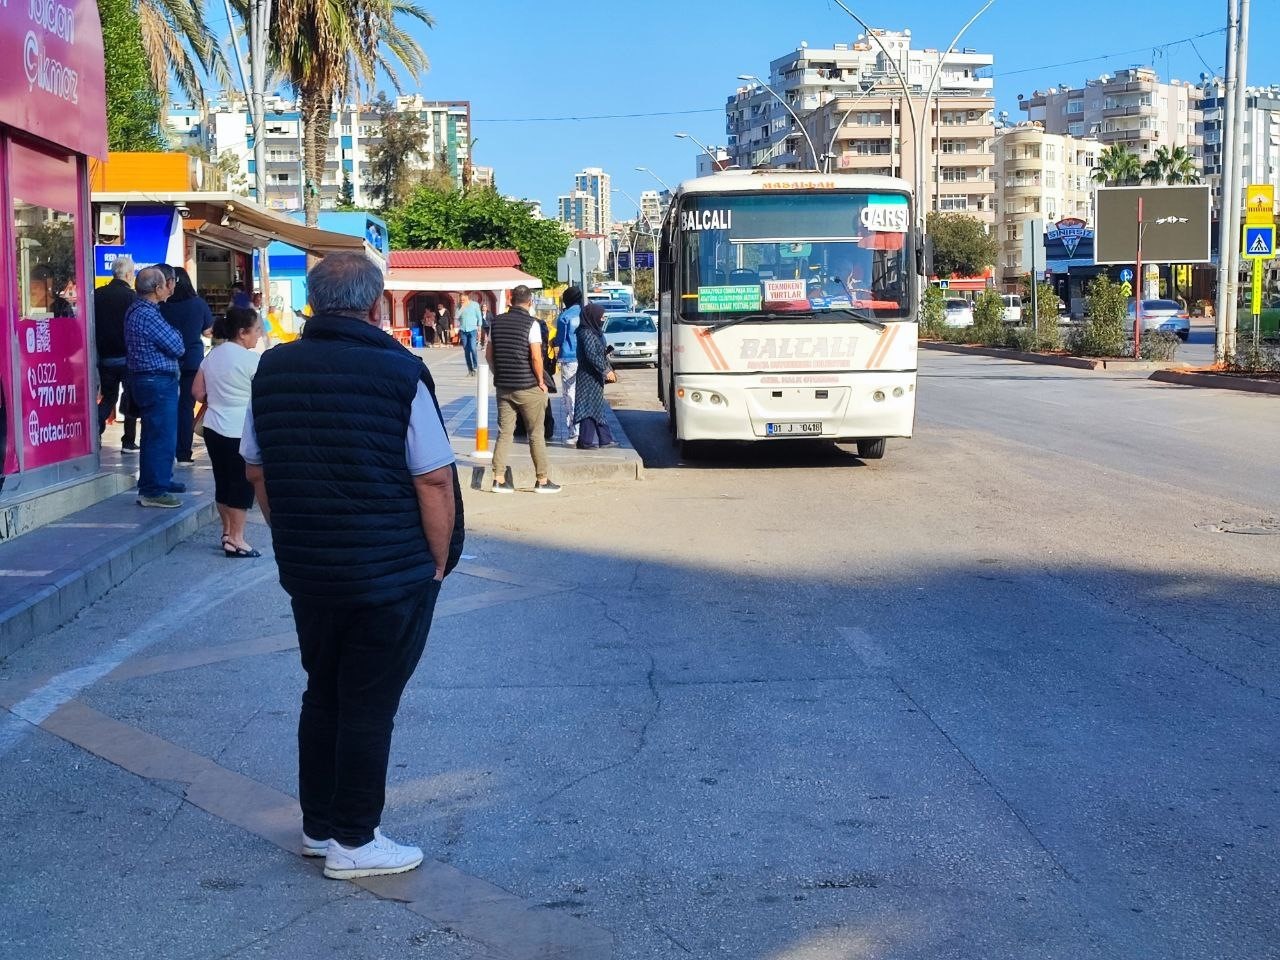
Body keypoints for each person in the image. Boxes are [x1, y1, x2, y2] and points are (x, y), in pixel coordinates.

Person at [241, 252, 464, 881]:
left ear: (313, 302)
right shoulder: (401, 371)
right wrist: (438, 561)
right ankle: (355, 841)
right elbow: (434, 481)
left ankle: (320, 827)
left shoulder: (272, 369)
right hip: (389, 572)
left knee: (324, 693)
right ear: (373, 305)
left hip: (310, 570)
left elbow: (255, 468)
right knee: (368, 703)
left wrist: (291, 533)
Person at [192, 306, 262, 557]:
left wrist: (217, 398)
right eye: (256, 330)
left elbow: (197, 392)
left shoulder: (212, 356)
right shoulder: (253, 361)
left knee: (222, 481)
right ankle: (237, 539)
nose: (259, 335)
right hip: (239, 429)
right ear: (242, 332)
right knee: (241, 484)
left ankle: (227, 532)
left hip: (213, 427)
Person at [486, 285, 560, 494]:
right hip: (528, 386)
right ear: (530, 302)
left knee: (504, 433)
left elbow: (489, 355)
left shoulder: (496, 322)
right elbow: (536, 357)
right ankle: (542, 480)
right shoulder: (532, 324)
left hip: (504, 387)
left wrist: (498, 373)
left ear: (510, 299)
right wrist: (541, 381)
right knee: (536, 434)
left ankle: (498, 479)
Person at [125, 267, 185, 508]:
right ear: (157, 288)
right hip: (157, 381)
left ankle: (157, 480)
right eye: (166, 284)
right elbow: (177, 345)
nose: (169, 288)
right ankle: (154, 490)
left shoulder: (137, 310)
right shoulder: (148, 314)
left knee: (153, 435)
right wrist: (176, 334)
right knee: (161, 436)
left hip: (147, 380)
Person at [159, 265, 214, 463]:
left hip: (167, 361)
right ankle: (183, 453)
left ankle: (167, 450)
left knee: (167, 406)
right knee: (186, 408)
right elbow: (208, 330)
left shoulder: (162, 306)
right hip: (192, 361)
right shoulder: (198, 304)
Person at [94, 256, 139, 449]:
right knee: (130, 397)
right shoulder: (132, 297)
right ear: (128, 275)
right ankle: (128, 441)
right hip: (128, 356)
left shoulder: (98, 295)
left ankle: (96, 429)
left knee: (108, 397)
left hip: (105, 356)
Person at [573, 303, 617, 449]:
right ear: (593, 316)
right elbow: (591, 355)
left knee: (596, 406)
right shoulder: (586, 333)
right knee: (588, 406)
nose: (602, 319)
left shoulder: (593, 331)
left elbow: (598, 352)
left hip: (594, 375)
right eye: (601, 316)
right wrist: (606, 371)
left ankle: (605, 439)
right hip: (588, 376)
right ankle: (585, 441)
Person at [554, 287, 583, 445]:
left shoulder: (564, 316)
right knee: (582, 393)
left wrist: (552, 343)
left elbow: (560, 339)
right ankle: (585, 429)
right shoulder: (585, 313)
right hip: (584, 358)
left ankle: (574, 431)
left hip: (569, 358)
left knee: (569, 394)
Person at [456, 292, 482, 375]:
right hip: (463, 330)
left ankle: (475, 367)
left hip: (473, 329)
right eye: (461, 300)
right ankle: (470, 370)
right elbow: (456, 316)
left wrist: (479, 326)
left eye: (463, 300)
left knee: (473, 348)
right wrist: (462, 307)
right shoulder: (459, 306)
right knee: (466, 351)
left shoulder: (474, 304)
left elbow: (479, 316)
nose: (462, 301)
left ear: (467, 298)